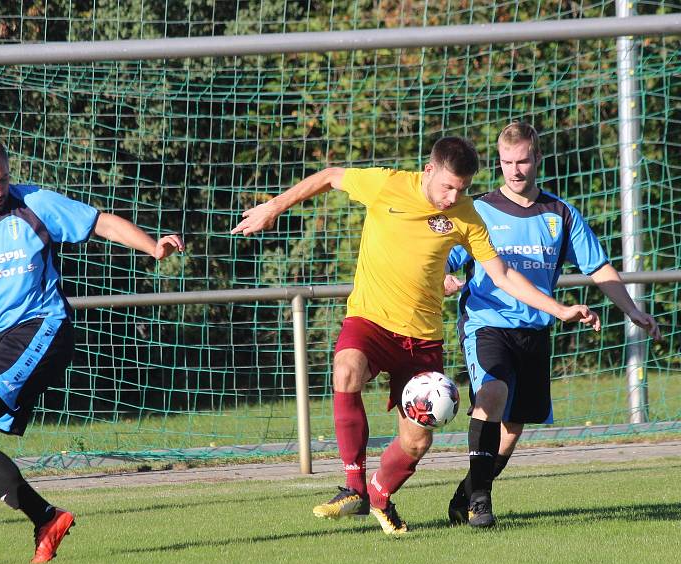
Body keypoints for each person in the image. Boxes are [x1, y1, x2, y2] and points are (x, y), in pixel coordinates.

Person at [232, 136, 600, 535]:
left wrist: (559, 308)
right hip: (371, 319)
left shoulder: (467, 215)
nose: (452, 196)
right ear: (428, 171)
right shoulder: (388, 184)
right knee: (346, 371)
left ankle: (378, 494)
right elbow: (332, 176)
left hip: (422, 337)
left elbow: (503, 275)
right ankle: (353, 487)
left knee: (417, 441)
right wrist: (273, 207)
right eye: (447, 186)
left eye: (461, 188)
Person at [0, 136, 184, 564]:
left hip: (45, 326)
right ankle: (46, 517)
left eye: (3, 179)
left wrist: (151, 245)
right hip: (4, 337)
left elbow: (100, 222)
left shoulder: (34, 204)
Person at [444, 121, 661, 528]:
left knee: (513, 425)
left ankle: (464, 494)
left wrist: (631, 310)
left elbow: (597, 266)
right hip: (486, 323)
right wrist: (444, 278)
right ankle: (480, 502)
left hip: (535, 329)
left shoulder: (559, 214)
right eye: (507, 162)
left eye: (523, 160)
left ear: (537, 159)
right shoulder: (479, 210)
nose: (515, 170)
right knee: (491, 393)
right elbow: (445, 258)